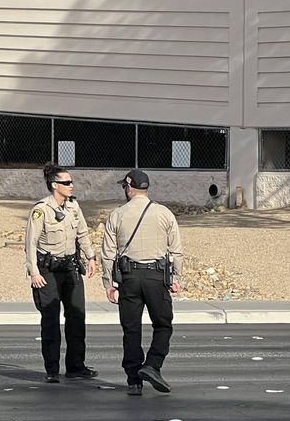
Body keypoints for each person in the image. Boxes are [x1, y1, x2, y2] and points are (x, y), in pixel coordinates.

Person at [100, 169, 183, 396]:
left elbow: (107, 253)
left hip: (129, 277)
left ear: (129, 187)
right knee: (163, 324)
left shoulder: (117, 214)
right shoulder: (165, 213)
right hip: (156, 276)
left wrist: (109, 283)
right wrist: (176, 277)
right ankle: (153, 365)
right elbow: (176, 250)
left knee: (131, 329)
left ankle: (133, 380)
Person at [25, 164, 99, 383]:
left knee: (76, 316)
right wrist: (34, 272)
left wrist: (91, 256)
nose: (71, 185)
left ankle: (76, 366)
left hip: (70, 268)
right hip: (48, 271)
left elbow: (83, 232)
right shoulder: (41, 210)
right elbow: (30, 242)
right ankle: (52, 369)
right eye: (67, 183)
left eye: (71, 181)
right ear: (54, 185)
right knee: (50, 320)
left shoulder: (73, 207)